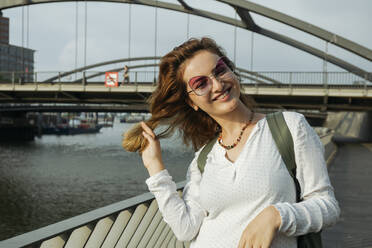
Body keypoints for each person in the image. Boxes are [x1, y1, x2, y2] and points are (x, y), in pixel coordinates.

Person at [122, 37, 340, 247]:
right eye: (201, 83)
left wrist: (277, 215)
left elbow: (327, 206)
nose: (217, 85)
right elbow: (185, 229)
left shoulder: (290, 127)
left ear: (231, 71)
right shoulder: (203, 159)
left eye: (220, 70)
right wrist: (155, 167)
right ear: (191, 101)